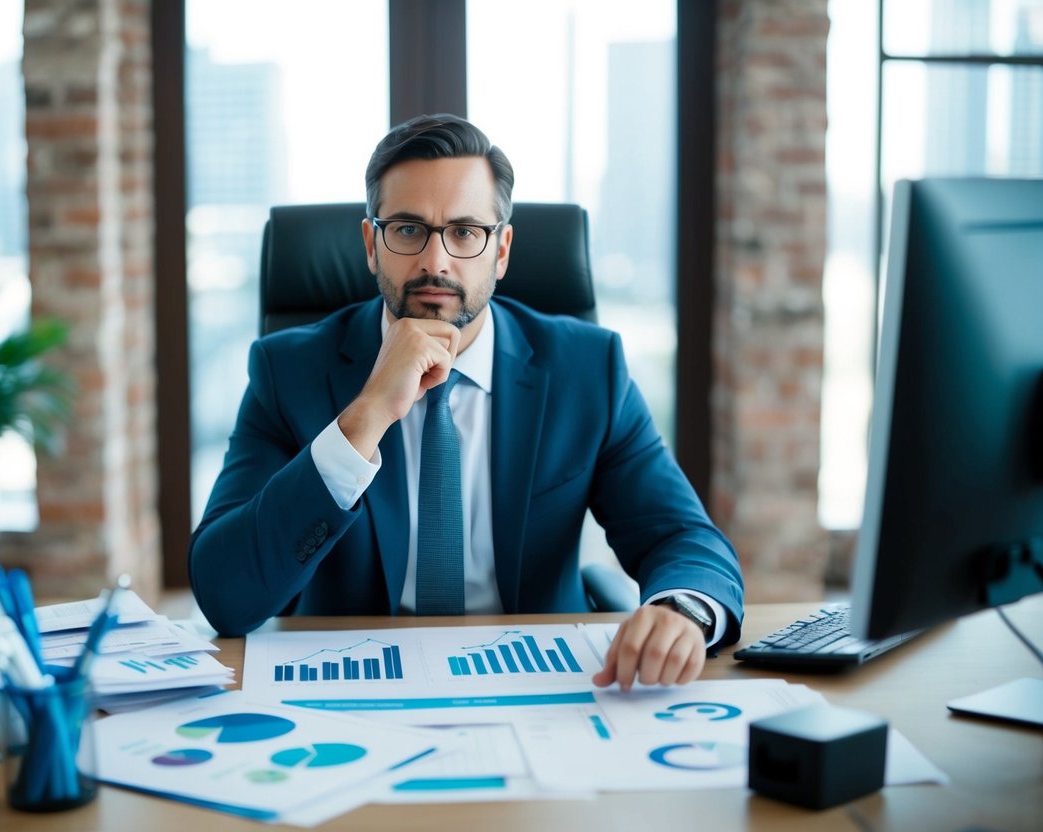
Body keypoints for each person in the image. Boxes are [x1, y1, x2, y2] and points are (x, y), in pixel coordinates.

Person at [190, 114, 743, 688]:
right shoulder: (289, 371)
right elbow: (226, 595)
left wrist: (683, 612)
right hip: (353, 683)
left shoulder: (587, 369)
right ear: (370, 246)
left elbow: (683, 537)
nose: (436, 262)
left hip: (540, 684)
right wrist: (366, 415)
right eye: (407, 230)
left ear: (501, 250)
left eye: (465, 232)